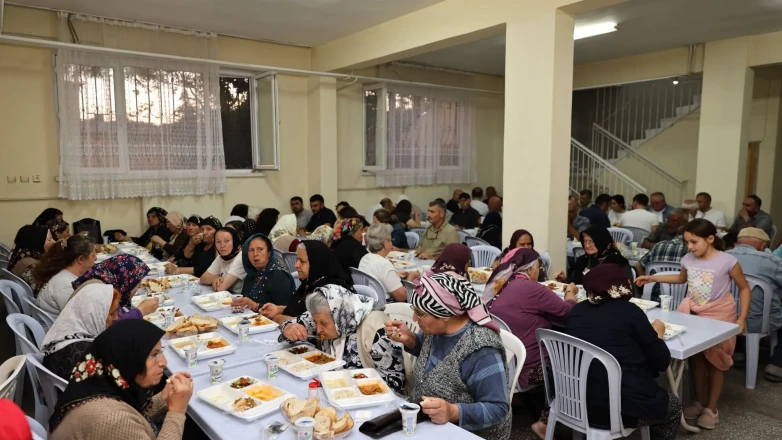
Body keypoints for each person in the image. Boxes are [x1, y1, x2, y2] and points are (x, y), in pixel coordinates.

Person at [635, 219, 751, 429]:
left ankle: (711, 408)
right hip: (695, 313)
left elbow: (744, 288)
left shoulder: (727, 261)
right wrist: (653, 278)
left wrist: (741, 318)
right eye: (687, 242)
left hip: (720, 315)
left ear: (710, 239)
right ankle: (699, 401)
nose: (690, 247)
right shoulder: (688, 259)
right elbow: (681, 280)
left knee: (716, 362)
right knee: (696, 358)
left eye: (694, 242)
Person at [385, 272, 511, 439]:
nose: (415, 319)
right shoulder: (436, 330)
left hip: (468, 433)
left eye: (420, 313)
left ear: (445, 315)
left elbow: (498, 408)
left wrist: (453, 411)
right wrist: (411, 340)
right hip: (428, 423)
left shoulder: (481, 350)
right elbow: (434, 359)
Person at [567, 264, 682, 440]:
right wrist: (656, 335)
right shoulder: (630, 312)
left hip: (573, 400)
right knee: (673, 407)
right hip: (619, 409)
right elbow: (661, 361)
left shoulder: (577, 311)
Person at [483, 247, 575, 439]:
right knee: (572, 363)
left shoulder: (499, 285)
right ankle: (546, 420)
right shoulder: (532, 289)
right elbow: (568, 313)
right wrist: (571, 294)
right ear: (532, 269)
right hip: (528, 368)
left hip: (502, 361)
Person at [48, 320, 194, 440]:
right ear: (127, 359)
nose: (163, 362)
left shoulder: (100, 386)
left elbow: (134, 417)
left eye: (160, 352)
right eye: (154, 355)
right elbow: (123, 422)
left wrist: (163, 397)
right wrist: (177, 411)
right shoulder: (113, 419)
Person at [281, 283, 404, 392]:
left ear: (339, 317)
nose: (318, 329)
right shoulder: (324, 313)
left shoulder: (376, 331)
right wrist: (288, 329)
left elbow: (394, 383)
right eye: (315, 322)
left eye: (323, 324)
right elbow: (291, 325)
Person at [725, 228, 782, 373]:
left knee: (735, 303)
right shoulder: (772, 262)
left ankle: (738, 352)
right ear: (763, 246)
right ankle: (777, 364)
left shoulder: (722, 257)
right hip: (758, 321)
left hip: (724, 318)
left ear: (737, 242)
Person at [261, 241, 353, 325]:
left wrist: (277, 318)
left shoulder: (328, 291)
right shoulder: (311, 281)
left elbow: (306, 325)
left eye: (302, 261)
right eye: (297, 260)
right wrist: (279, 309)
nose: (296, 265)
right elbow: (300, 309)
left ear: (316, 263)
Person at [41, 283, 120, 380]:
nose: (116, 318)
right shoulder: (85, 355)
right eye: (112, 313)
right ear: (95, 315)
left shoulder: (64, 332)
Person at [73, 254, 157, 321]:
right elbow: (111, 326)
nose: (139, 286)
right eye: (137, 282)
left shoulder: (105, 280)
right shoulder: (102, 292)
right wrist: (140, 311)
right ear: (125, 279)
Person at [35, 235, 97, 317]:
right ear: (81, 259)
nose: (96, 258)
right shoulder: (67, 286)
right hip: (55, 328)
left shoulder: (64, 275)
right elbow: (83, 318)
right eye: (93, 255)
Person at [233, 233, 295, 313]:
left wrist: (255, 306)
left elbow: (285, 310)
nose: (255, 254)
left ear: (269, 253)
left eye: (260, 249)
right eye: (251, 250)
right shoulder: (251, 274)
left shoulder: (279, 276)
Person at [360, 224, 419, 303]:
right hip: (387, 307)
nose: (392, 242)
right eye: (391, 240)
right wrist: (411, 278)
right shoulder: (384, 264)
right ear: (386, 243)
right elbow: (402, 296)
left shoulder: (365, 258)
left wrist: (394, 274)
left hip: (368, 302)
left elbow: (377, 276)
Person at [567, 226, 633, 284]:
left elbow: (626, 288)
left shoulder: (618, 262)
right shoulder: (582, 260)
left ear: (602, 241)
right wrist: (564, 280)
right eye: (585, 241)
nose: (587, 245)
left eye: (591, 242)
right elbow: (574, 282)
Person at [7, 225, 56, 293]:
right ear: (37, 242)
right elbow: (44, 292)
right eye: (49, 239)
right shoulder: (31, 267)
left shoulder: (20, 253)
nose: (54, 242)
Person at [200, 227, 246, 294]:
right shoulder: (222, 256)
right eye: (218, 242)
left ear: (234, 241)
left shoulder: (241, 257)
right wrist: (214, 278)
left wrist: (213, 280)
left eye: (226, 241)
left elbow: (220, 287)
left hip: (239, 298)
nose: (222, 246)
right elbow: (202, 278)